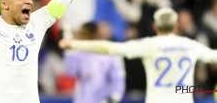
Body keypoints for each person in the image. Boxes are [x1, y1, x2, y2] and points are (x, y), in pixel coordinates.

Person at [59, 8, 217, 103]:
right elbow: (214, 57)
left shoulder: (148, 45)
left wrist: (74, 44)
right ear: (176, 26)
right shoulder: (190, 45)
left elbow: (109, 48)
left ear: (155, 27)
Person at [64, 22, 125, 103]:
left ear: (94, 34)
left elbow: (118, 78)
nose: (83, 37)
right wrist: (69, 51)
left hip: (103, 100)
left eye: (85, 34)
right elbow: (70, 72)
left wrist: (115, 96)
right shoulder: (80, 52)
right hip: (82, 100)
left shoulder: (112, 54)